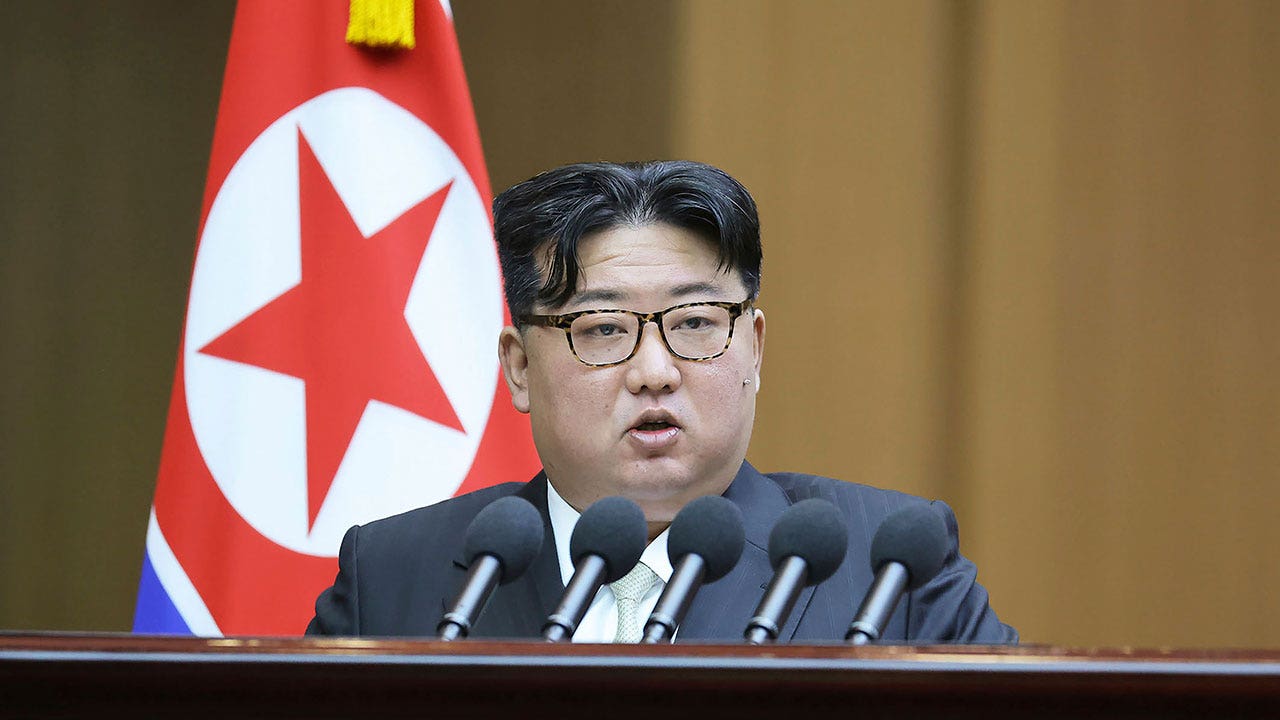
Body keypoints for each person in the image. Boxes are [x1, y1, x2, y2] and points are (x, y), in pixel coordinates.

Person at [306, 160, 1017, 643]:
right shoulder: (393, 575)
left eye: (696, 323)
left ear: (754, 349)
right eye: (603, 328)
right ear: (519, 368)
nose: (654, 372)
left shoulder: (892, 567)